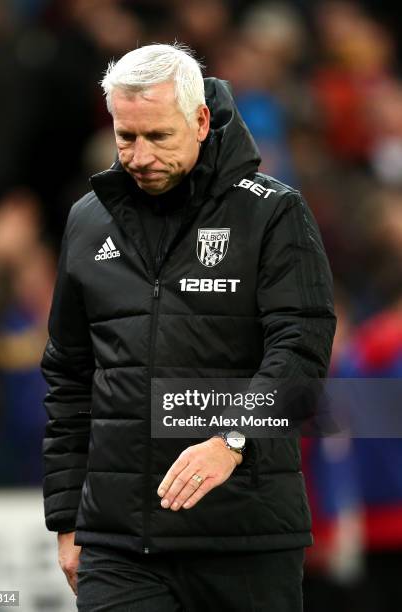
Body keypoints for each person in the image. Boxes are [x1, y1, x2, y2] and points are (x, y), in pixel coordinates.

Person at [41, 43, 336, 612]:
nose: (139, 155)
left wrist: (232, 438)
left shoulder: (272, 213)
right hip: (119, 547)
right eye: (126, 137)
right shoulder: (86, 221)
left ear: (201, 121)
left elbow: (300, 350)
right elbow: (69, 377)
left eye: (158, 137)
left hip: (245, 538)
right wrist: (67, 521)